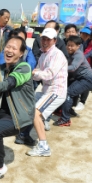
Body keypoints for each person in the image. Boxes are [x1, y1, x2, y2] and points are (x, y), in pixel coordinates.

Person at [0, 36, 35, 183]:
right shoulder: (1, 68)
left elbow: (8, 84)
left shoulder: (24, 68)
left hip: (19, 116)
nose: (9, 50)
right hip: (2, 112)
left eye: (14, 48)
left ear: (21, 53)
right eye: (8, 47)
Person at [19, 28, 68, 156]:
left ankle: (43, 146)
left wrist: (34, 73)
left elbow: (48, 75)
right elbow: (37, 73)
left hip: (56, 91)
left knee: (36, 113)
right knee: (29, 104)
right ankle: (24, 133)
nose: (45, 42)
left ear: (55, 41)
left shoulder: (57, 54)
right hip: (47, 91)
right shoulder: (43, 55)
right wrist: (33, 73)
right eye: (43, 39)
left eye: (48, 39)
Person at [53, 36, 92, 126]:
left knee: (68, 93)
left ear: (78, 46)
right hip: (79, 78)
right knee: (67, 90)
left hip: (88, 79)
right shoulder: (70, 54)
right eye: (68, 45)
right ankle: (68, 110)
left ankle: (65, 119)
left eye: (72, 46)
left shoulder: (78, 54)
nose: (69, 47)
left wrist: (58, 68)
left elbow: (73, 67)